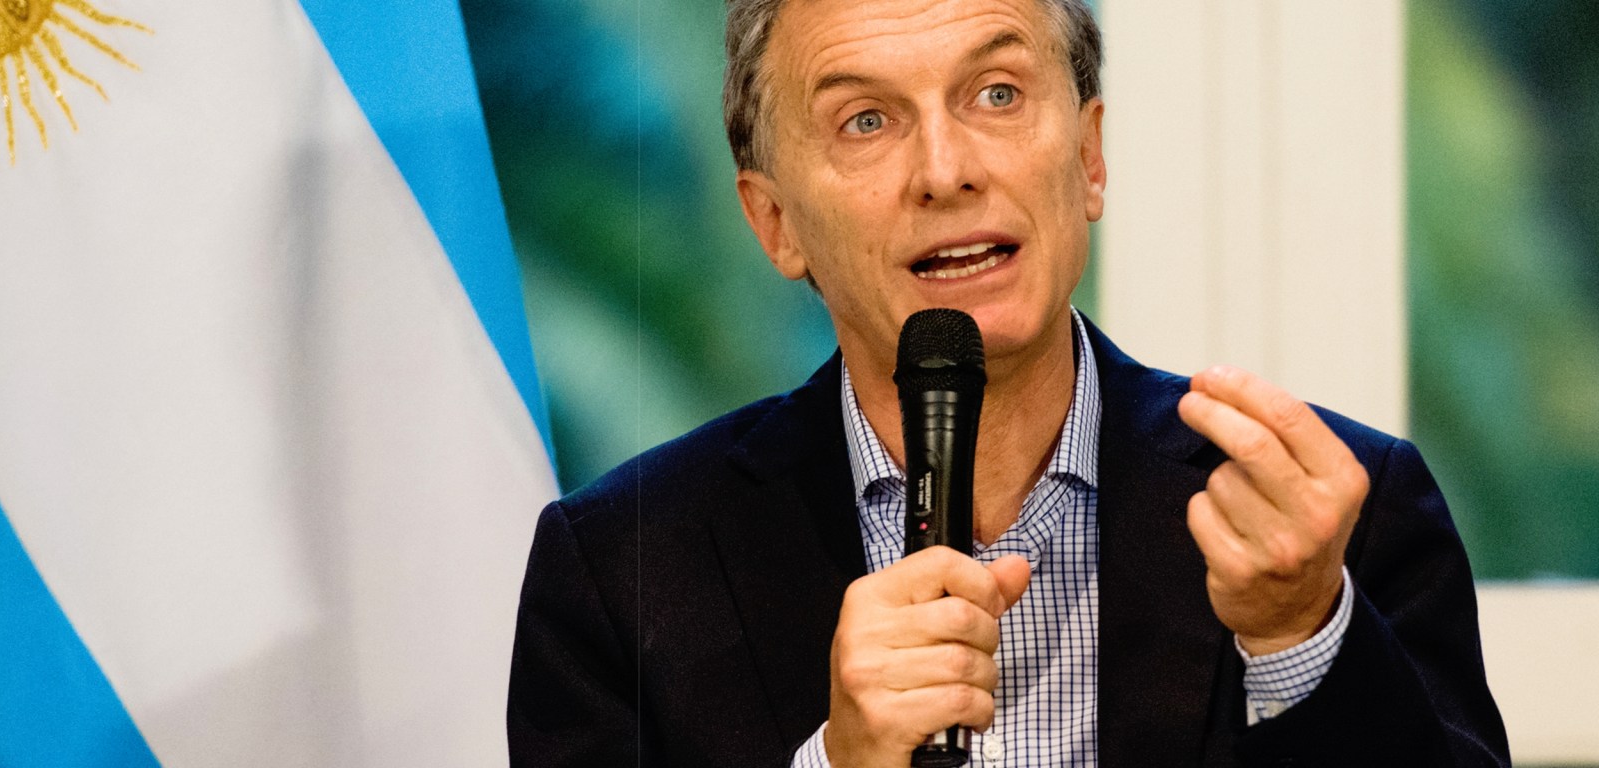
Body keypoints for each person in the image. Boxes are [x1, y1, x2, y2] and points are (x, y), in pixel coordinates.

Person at [505, 0, 1509, 765]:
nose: (946, 170)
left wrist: (1300, 636)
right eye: (865, 121)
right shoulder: (618, 571)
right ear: (776, 225)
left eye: (996, 94)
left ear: (1090, 158)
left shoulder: (1332, 523)